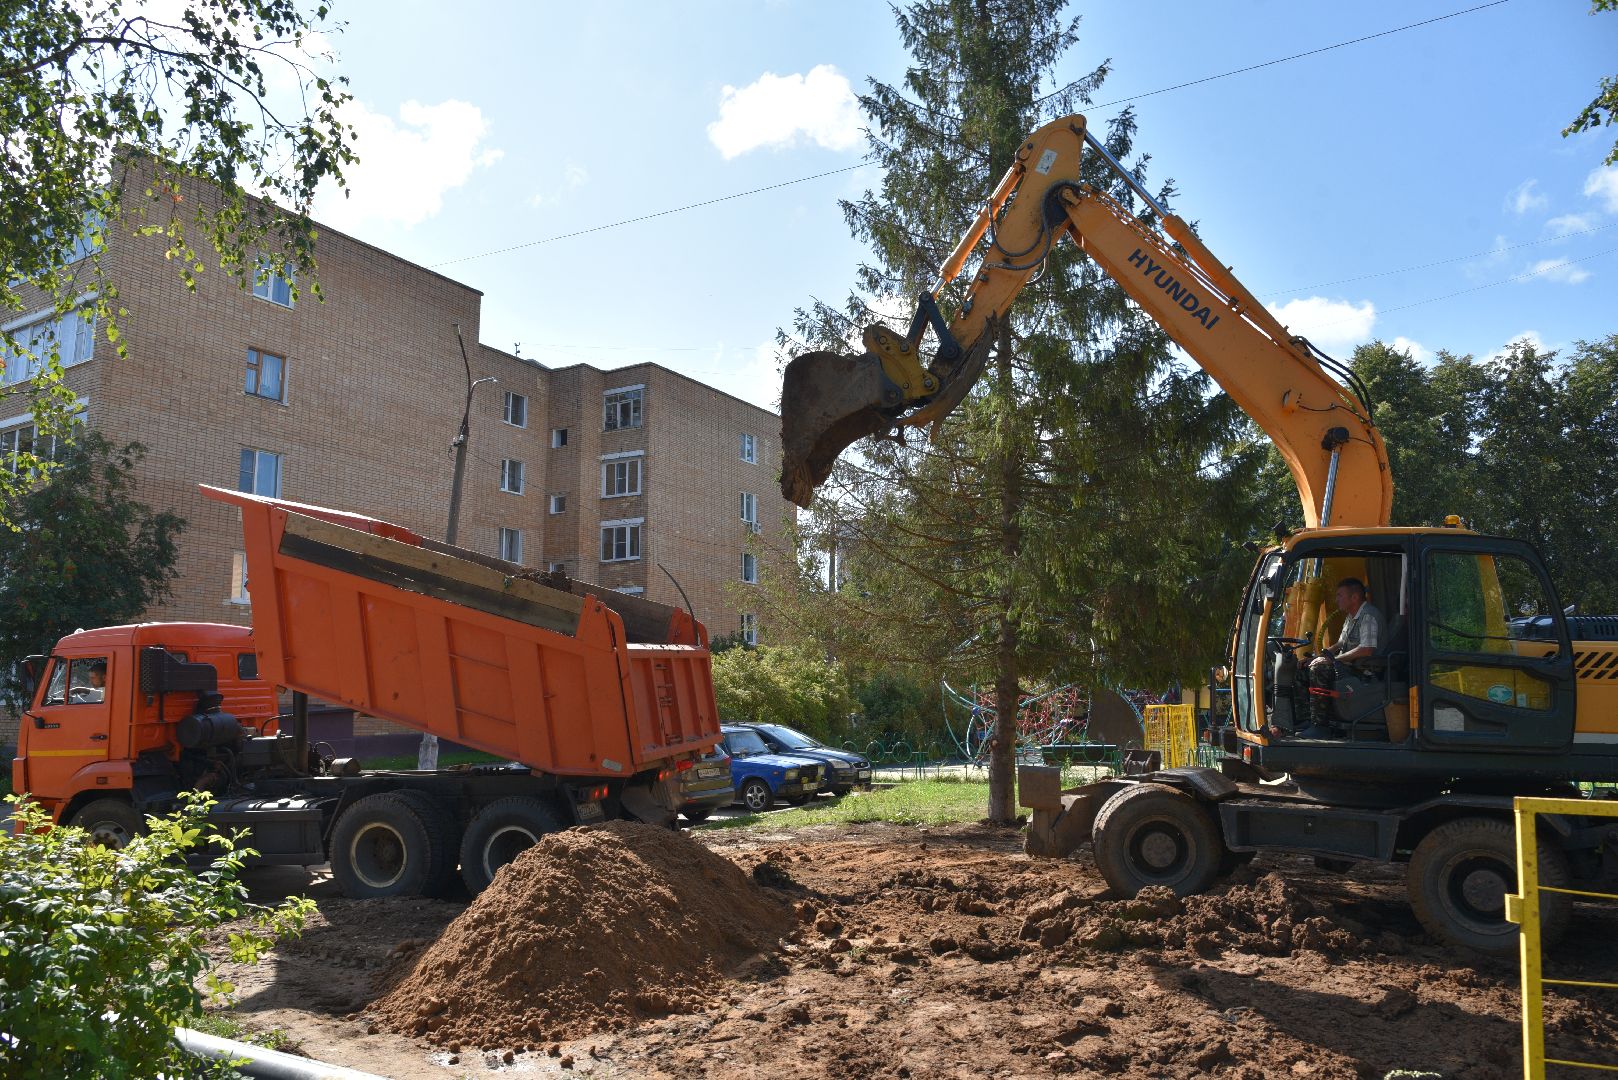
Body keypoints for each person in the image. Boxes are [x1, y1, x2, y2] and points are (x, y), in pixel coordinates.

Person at [1297, 579, 1383, 738]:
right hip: (1350, 666)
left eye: (1340, 595)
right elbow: (1341, 643)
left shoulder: (1368, 616)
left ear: (1354, 597)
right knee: (1307, 666)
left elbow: (1367, 649)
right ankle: (1311, 718)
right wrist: (1318, 657)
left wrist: (1334, 660)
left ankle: (1321, 727)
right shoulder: (1351, 617)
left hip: (1365, 671)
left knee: (1319, 669)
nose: (1336, 600)